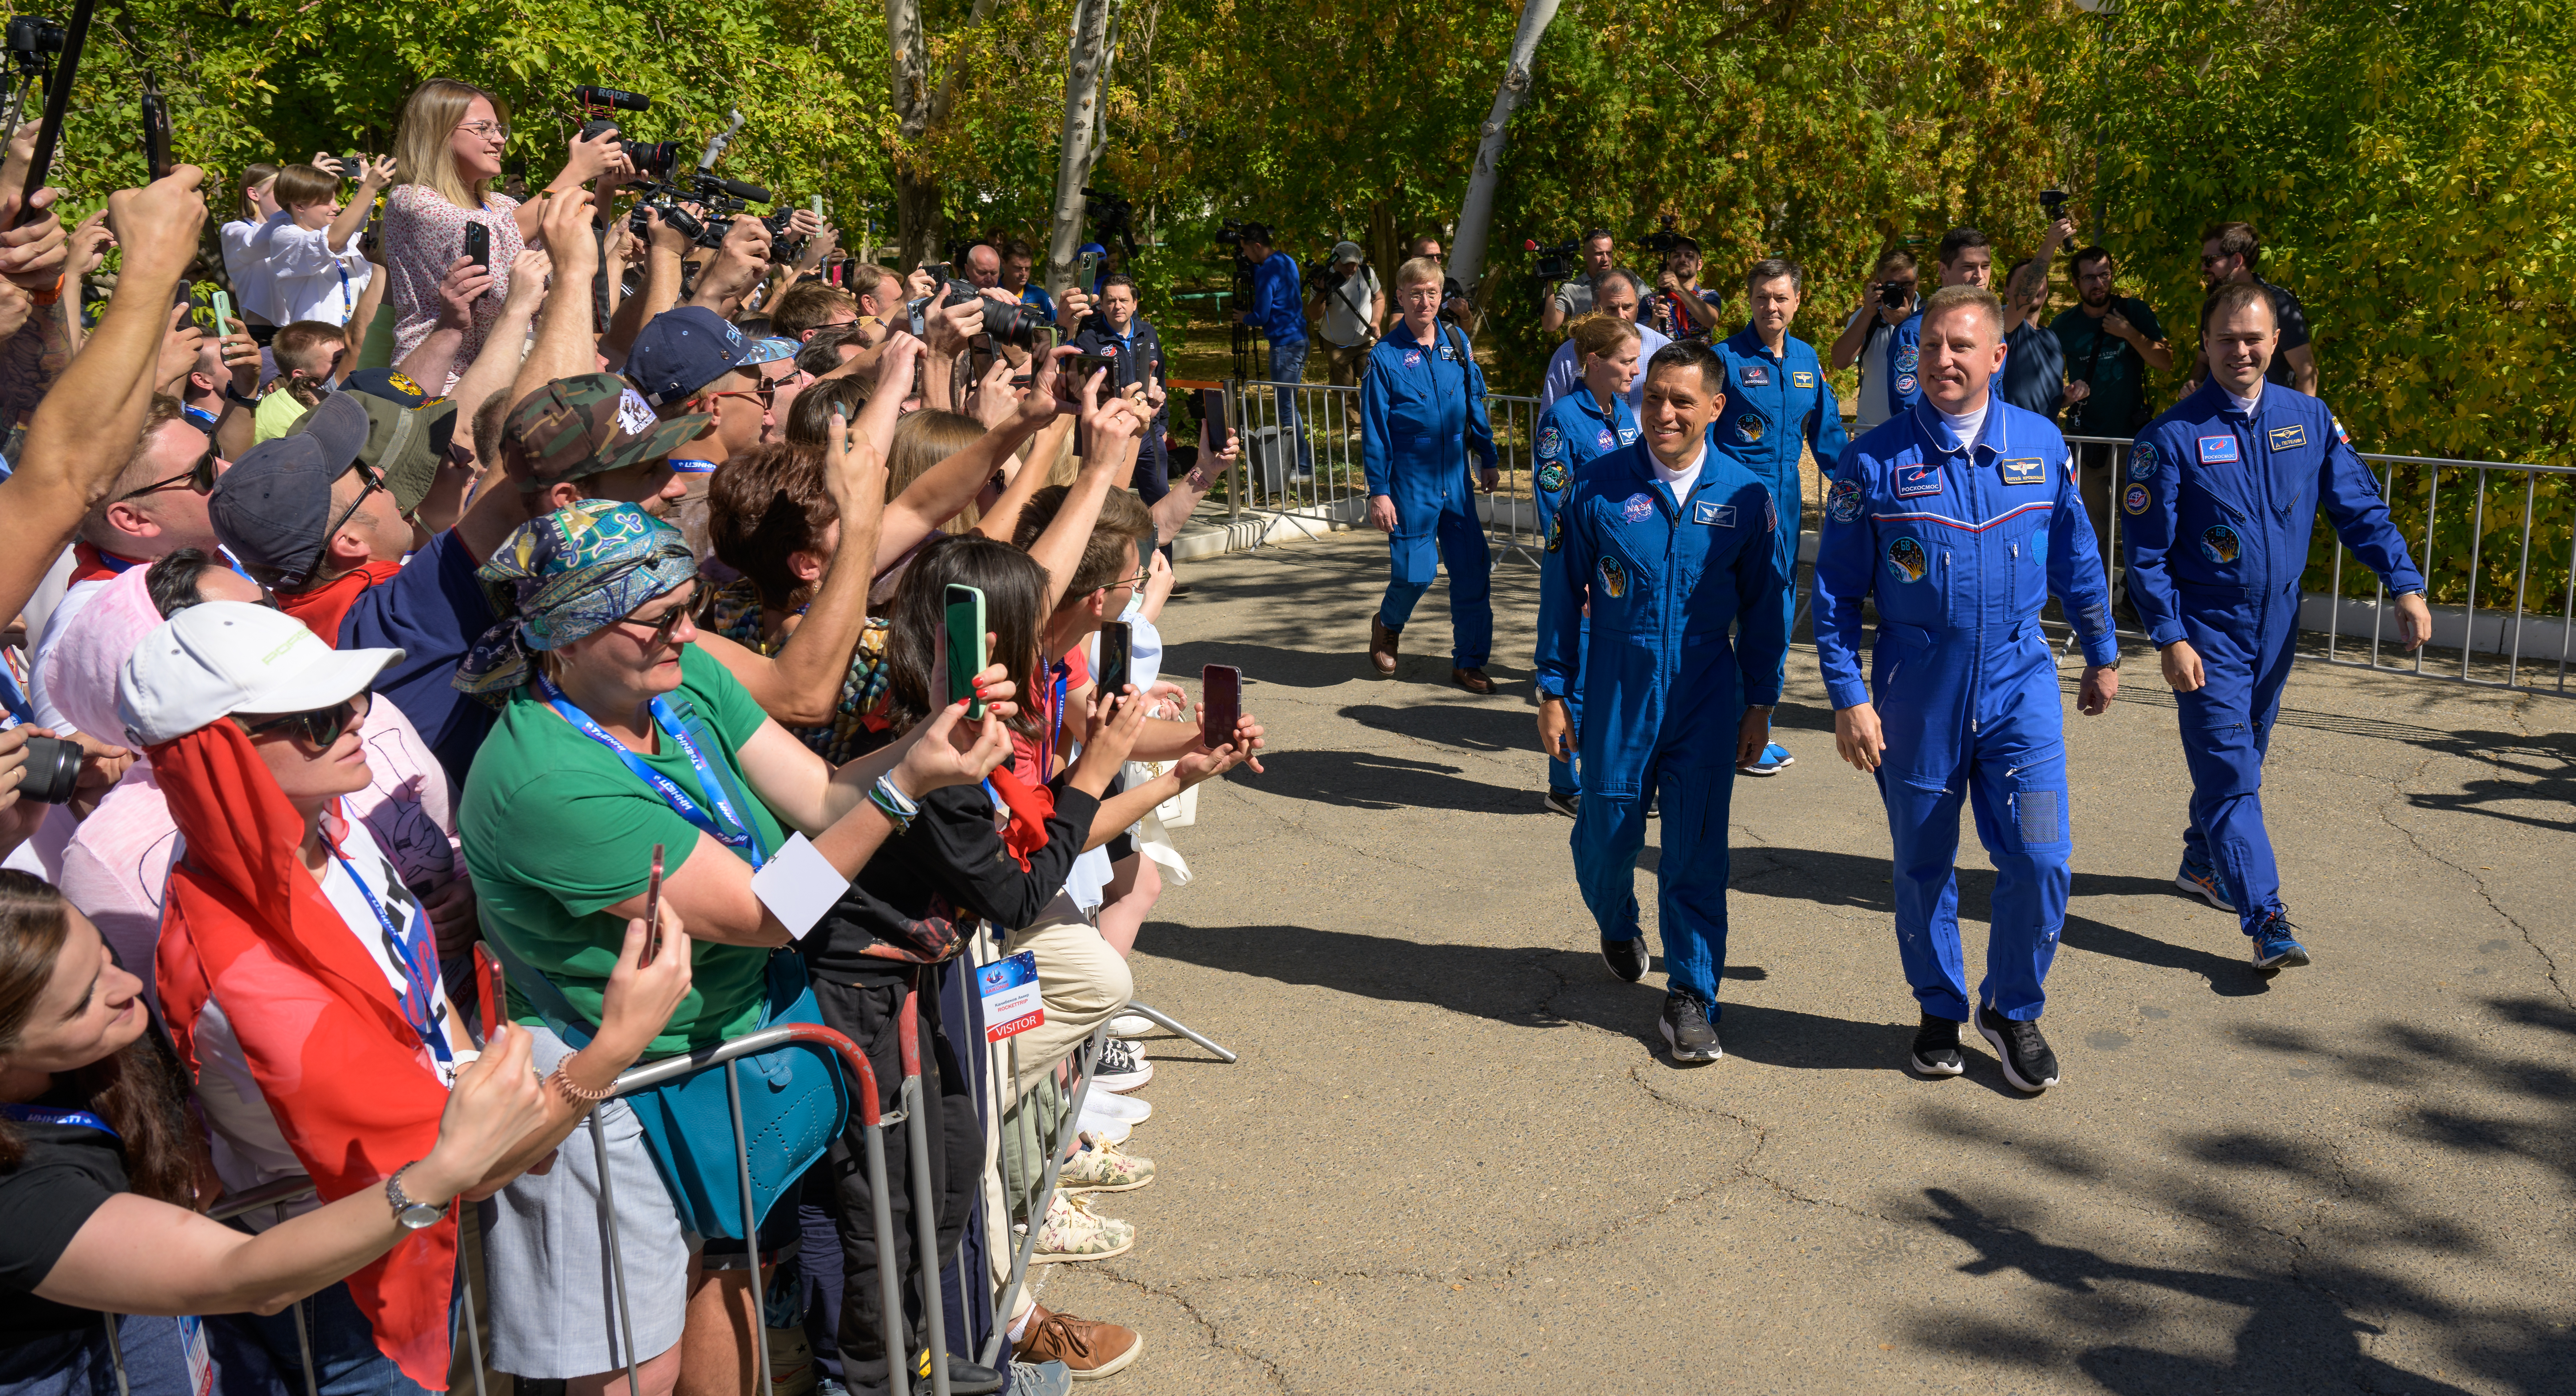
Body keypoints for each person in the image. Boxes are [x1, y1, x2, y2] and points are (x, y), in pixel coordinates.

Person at [454, 499, 1015, 1396]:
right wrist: (907, 786)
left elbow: (826, 795)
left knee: (729, 1275)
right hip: (614, 1090)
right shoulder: (546, 780)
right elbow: (771, 912)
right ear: (568, 636)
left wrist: (929, 742)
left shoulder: (684, 676)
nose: (689, 631)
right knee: (638, 1361)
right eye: (660, 619)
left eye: (691, 607)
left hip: (719, 1050)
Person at [115, 599, 697, 1394]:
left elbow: (424, 997)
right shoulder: (250, 979)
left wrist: (477, 1073)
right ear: (222, 757)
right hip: (348, 1303)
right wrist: (612, 1050)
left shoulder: (325, 823)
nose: (359, 721)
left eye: (351, 698)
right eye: (319, 717)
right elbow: (464, 1167)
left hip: (405, 1246)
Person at [0, 871, 553, 1396]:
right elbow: (244, 1275)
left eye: (103, 951)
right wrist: (444, 1170)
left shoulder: (88, 1000)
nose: (126, 983)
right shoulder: (19, 1194)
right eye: (81, 1002)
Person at [1811, 284, 2121, 1094]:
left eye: (1959, 346)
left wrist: (2101, 649)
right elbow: (1837, 592)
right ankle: (1940, 1009)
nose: (1941, 360)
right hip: (1918, 697)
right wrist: (1848, 697)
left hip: (2022, 690)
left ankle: (2012, 1007)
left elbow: (2077, 559)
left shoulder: (2040, 444)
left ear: (1996, 357)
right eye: (1929, 346)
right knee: (1922, 862)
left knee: (2042, 855)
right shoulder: (1870, 460)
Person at [2123, 280, 2430, 968]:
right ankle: (2265, 918)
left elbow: (2357, 507)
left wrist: (2404, 584)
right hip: (2208, 631)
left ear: (2274, 344)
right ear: (2203, 344)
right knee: (2233, 773)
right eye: (2227, 339)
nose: (2242, 351)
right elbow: (2144, 555)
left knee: (2246, 754)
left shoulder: (2308, 418)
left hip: (2276, 628)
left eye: (2253, 338)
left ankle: (2202, 861)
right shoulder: (2170, 439)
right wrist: (2169, 636)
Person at [1533, 340, 1784, 1064]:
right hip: (1617, 688)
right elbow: (1560, 595)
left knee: (1695, 852)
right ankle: (1615, 919)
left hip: (1707, 693)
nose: (1663, 413)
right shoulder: (1598, 488)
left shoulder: (1744, 498)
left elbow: (1766, 609)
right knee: (1605, 836)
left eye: (1681, 400)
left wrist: (1759, 702)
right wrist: (1554, 689)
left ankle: (1691, 995)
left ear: (1714, 406)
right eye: (1653, 398)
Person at [383, 78, 626, 387]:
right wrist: (576, 171)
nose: (498, 140)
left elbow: (569, 249)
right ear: (438, 133)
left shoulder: (502, 204)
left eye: (499, 130)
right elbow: (484, 245)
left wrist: (603, 186)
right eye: (483, 128)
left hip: (514, 373)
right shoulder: (411, 200)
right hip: (447, 379)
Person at [1709, 257, 1847, 778]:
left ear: (1797, 300)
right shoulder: (1722, 359)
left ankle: (1749, 728)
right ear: (1750, 299)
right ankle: (1704, 722)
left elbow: (1829, 439)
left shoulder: (1808, 360)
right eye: (1763, 297)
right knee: (1713, 615)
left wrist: (1863, 491)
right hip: (1728, 507)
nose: (1772, 306)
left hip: (1784, 511)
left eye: (1781, 297)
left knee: (1772, 620)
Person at [1361, 256, 1497, 693]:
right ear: (1400, 297)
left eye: (1432, 293)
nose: (1424, 301)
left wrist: (1488, 456)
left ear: (1442, 296)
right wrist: (1378, 491)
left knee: (1472, 571)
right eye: (1415, 293)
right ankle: (1388, 622)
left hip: (1456, 475)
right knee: (1417, 572)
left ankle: (1469, 662)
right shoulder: (1385, 357)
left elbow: (1476, 400)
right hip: (1411, 478)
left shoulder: (1456, 343)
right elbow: (1376, 430)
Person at [1527, 314, 1641, 817]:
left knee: (1618, 674)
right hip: (1581, 568)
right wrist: (1582, 574)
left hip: (1621, 569)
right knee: (1573, 675)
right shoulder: (1563, 418)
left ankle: (1611, 773)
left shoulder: (1625, 415)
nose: (1635, 370)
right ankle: (1564, 782)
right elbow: (1553, 499)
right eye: (1627, 360)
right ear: (1594, 361)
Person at [248, 160, 391, 329]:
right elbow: (333, 242)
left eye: (335, 199)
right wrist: (369, 189)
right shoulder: (285, 238)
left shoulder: (349, 239)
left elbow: (348, 229)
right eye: (327, 201)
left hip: (359, 343)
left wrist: (365, 185)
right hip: (318, 348)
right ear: (299, 205)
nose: (337, 207)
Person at [2052, 245, 2172, 441]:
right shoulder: (2064, 325)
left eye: (2105, 275)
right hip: (2085, 439)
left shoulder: (2134, 311)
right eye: (2090, 278)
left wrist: (2130, 334)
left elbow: (2166, 362)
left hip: (2132, 438)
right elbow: (2048, 382)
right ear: (2076, 283)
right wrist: (2068, 394)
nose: (2099, 283)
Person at [1070, 276, 1170, 503]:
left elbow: (1161, 378)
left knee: (1160, 501)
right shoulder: (1088, 341)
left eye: (1124, 300)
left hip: (1149, 430)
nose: (1118, 307)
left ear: (1135, 304)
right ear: (1102, 305)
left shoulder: (1149, 333)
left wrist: (1163, 425)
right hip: (1111, 430)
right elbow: (1080, 392)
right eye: (1111, 301)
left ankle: (1161, 541)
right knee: (1111, 500)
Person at [1886, 228, 2005, 418]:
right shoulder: (1914, 332)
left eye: (1986, 266)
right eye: (1968, 267)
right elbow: (1909, 410)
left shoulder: (1991, 327)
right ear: (1943, 270)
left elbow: (1996, 396)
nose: (1980, 275)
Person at [2195, 221, 2315, 394]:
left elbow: (2307, 374)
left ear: (2237, 260)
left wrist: (2301, 418)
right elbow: (2204, 361)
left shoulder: (2278, 303)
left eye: (2210, 260)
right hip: (2221, 416)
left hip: (2274, 416)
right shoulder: (2214, 305)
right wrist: (2194, 384)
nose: (2203, 268)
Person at [1235, 224, 1310, 479]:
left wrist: (1244, 317)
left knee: (1286, 407)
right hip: (1298, 339)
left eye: (1246, 250)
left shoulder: (1267, 271)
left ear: (1257, 246)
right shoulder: (1285, 260)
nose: (1245, 256)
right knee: (1290, 405)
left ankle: (1302, 467)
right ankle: (1301, 464)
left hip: (1284, 345)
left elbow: (1262, 315)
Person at [1537, 270, 1669, 413]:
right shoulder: (1568, 355)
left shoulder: (1660, 346)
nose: (1621, 316)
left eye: (1627, 307)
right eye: (1611, 309)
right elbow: (1551, 418)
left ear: (1638, 304)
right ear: (1595, 309)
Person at [1829, 248, 1921, 433]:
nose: (1901, 291)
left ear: (1917, 282)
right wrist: (1867, 313)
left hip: (1917, 431)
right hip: (1870, 430)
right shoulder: (1867, 317)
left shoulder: (1929, 316)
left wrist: (1904, 325)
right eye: (1892, 285)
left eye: (1907, 285)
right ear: (1879, 284)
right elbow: (1840, 361)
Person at [1305, 241, 1381, 435]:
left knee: (1376, 383)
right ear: (1336, 261)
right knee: (1344, 388)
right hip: (1336, 345)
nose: (1351, 268)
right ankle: (1356, 429)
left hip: (1366, 342)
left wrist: (1377, 322)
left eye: (1354, 263)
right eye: (1346, 263)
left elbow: (1379, 298)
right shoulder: (1323, 279)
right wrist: (1322, 291)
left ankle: (1379, 424)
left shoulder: (1366, 273)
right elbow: (1314, 315)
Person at [1997, 256, 2066, 421]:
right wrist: (2052, 242)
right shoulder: (2002, 323)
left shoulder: (2051, 337)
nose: (2033, 285)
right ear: (2007, 291)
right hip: (2013, 435)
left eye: (2039, 281)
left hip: (2047, 437)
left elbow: (2042, 399)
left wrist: (2066, 398)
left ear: (2047, 291)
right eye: (2025, 280)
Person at [1538, 229, 1619, 334]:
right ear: (1585, 255)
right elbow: (1550, 326)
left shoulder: (1628, 283)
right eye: (1599, 253)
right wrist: (1548, 281)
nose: (1605, 259)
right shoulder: (1571, 289)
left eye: (1609, 253)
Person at [1644, 235, 1724, 341]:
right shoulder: (1652, 301)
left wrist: (1679, 288)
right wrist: (1655, 321)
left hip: (1699, 358)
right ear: (1668, 265)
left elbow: (1710, 320)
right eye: (1677, 256)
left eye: (1689, 256)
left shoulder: (1708, 296)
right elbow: (1640, 341)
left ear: (1699, 265)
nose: (1683, 260)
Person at [1000, 239, 1054, 324]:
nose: (1023, 273)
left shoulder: (1042, 297)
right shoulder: (992, 294)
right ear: (1003, 263)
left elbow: (1058, 329)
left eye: (1028, 268)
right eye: (1018, 268)